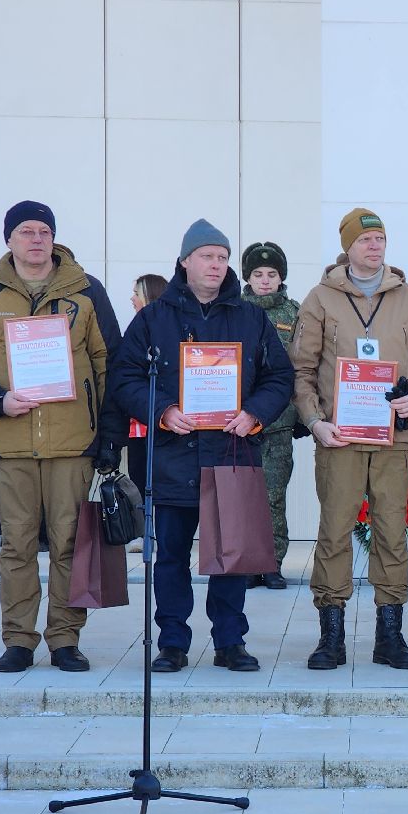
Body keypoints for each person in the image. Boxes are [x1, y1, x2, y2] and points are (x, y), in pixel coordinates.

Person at [107, 219, 295, 673]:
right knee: (170, 556)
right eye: (207, 256)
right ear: (185, 261)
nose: (216, 265)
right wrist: (162, 410)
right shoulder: (154, 318)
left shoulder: (251, 318)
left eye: (222, 257)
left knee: (230, 557)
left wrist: (254, 413)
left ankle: (230, 642)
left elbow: (280, 377)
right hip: (172, 457)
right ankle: (172, 642)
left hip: (231, 454)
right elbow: (124, 377)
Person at [0, 201, 120, 673]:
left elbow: (110, 365)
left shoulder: (86, 292)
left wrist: (109, 436)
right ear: (9, 240)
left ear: (54, 238)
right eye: (26, 231)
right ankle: (19, 640)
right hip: (10, 443)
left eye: (45, 231)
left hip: (72, 443)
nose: (37, 239)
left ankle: (65, 638)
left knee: (69, 544)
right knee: (17, 545)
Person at [291, 209, 408, 670]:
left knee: (391, 533)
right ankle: (331, 636)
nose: (375, 246)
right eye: (365, 240)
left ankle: (390, 636)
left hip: (393, 438)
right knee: (335, 532)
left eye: (380, 238)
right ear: (348, 247)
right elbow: (301, 370)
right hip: (338, 437)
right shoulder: (321, 299)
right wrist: (315, 421)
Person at [240, 241, 300, 591]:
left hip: (278, 423)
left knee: (274, 496)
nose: (265, 280)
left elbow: (303, 365)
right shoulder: (233, 310)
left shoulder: (294, 314)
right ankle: (247, 562)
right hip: (238, 423)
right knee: (244, 496)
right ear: (248, 277)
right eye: (258, 274)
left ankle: (273, 562)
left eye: (272, 274)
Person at [123, 274, 168, 542]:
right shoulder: (135, 329)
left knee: (161, 479)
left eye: (137, 293)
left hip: (162, 420)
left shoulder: (164, 329)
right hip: (136, 421)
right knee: (138, 476)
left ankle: (161, 532)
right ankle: (144, 533)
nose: (132, 298)